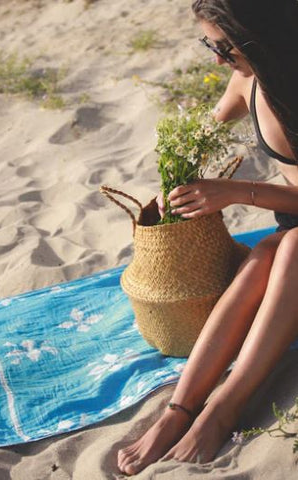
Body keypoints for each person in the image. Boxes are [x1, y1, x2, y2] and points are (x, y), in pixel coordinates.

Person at [117, 0, 298, 475]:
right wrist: (175, 176)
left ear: (263, 38)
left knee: (290, 247)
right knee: (263, 254)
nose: (217, 59)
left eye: (225, 47)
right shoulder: (248, 80)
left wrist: (236, 192)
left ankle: (223, 411)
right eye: (209, 45)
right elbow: (203, 134)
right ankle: (178, 410)